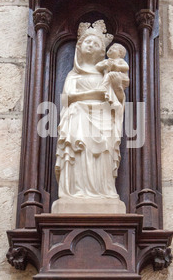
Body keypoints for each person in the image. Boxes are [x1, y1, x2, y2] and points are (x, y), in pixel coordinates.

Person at [54, 20, 129, 201]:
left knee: (103, 153)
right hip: (78, 119)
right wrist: (94, 94)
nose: (91, 45)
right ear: (79, 47)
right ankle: (75, 190)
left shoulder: (105, 73)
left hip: (102, 120)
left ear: (102, 51)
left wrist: (117, 87)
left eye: (96, 43)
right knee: (79, 150)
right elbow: (66, 99)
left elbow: (117, 99)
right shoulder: (74, 75)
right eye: (87, 42)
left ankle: (103, 190)